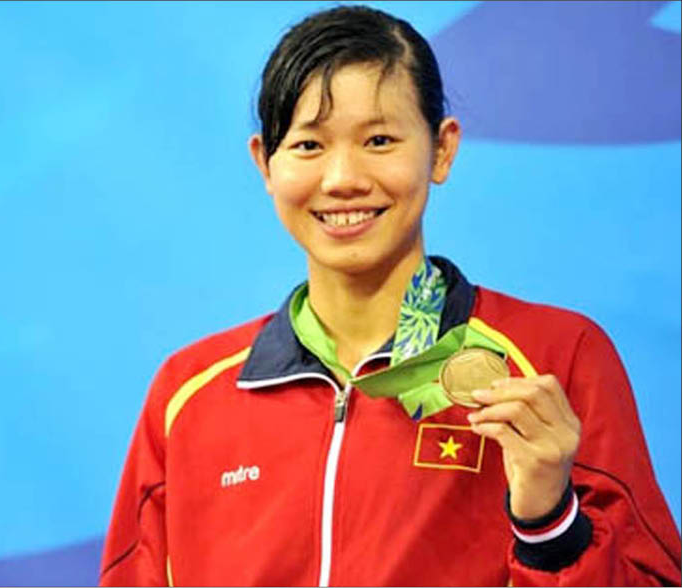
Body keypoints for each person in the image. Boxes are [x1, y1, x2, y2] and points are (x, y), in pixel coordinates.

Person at [99, 5, 681, 586]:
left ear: (442, 149)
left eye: (379, 140)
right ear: (265, 164)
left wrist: (550, 526)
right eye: (309, 145)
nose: (343, 179)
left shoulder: (554, 359)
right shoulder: (189, 396)